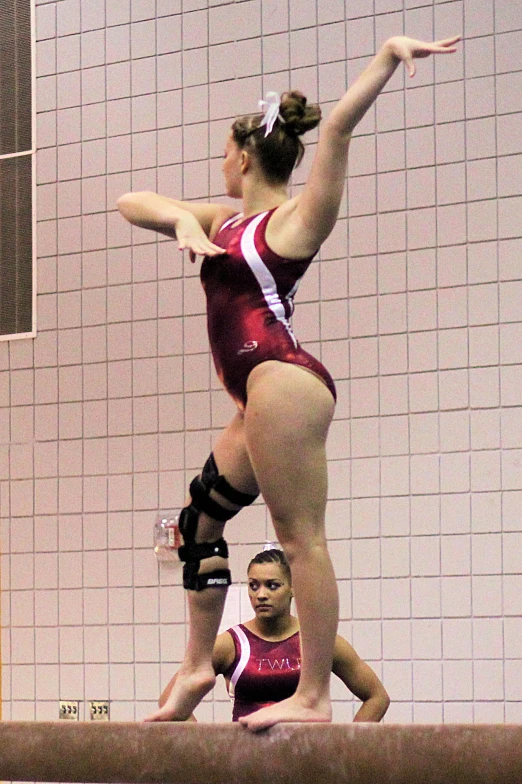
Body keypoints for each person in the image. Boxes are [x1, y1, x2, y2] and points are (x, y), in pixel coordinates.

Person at [117, 34, 460, 731]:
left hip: (282, 380)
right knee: (199, 523)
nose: (217, 166)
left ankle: (313, 694)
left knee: (299, 538)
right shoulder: (222, 223)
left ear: (243, 158)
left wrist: (387, 56)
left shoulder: (294, 221)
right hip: (256, 393)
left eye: (221, 154)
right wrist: (183, 218)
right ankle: (193, 670)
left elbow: (335, 128)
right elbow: (131, 201)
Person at [157, 548, 390, 723]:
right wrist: (206, 748)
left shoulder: (319, 643)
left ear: (293, 587)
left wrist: (345, 749)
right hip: (246, 767)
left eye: (272, 585)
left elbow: (377, 697)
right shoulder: (230, 644)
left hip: (305, 766)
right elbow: (170, 700)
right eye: (254, 585)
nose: (261, 595)